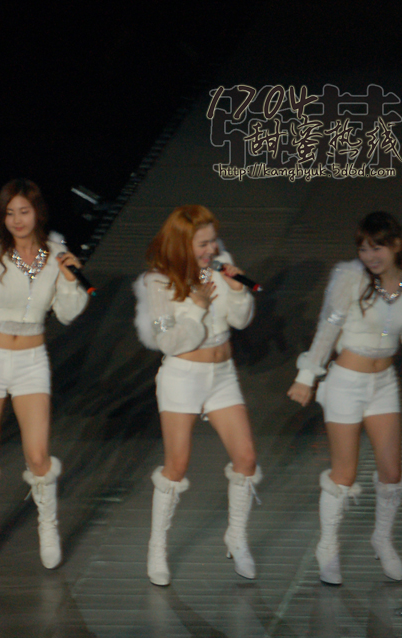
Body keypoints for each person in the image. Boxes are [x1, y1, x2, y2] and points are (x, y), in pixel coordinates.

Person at [288, 211, 402, 585]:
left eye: (378, 248)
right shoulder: (351, 279)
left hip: (384, 383)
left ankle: (382, 538)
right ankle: (328, 546)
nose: (370, 256)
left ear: (396, 245)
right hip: (346, 382)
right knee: (344, 473)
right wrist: (307, 376)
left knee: (392, 472)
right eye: (364, 249)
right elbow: (328, 328)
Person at [133, 205, 260, 586]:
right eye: (203, 244)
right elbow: (169, 341)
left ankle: (236, 536)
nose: (212, 249)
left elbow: (240, 320)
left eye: (212, 241)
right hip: (183, 377)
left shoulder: (219, 267)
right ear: (182, 243)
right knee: (177, 465)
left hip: (222, 375)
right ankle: (157, 547)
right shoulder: (159, 281)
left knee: (246, 458)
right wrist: (196, 308)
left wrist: (237, 291)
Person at [0, 179, 89, 571]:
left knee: (38, 455)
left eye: (23, 211)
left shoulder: (57, 255)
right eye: (9, 212)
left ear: (37, 213)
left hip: (30, 361)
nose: (16, 220)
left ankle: (48, 526)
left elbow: (67, 314)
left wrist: (70, 281)